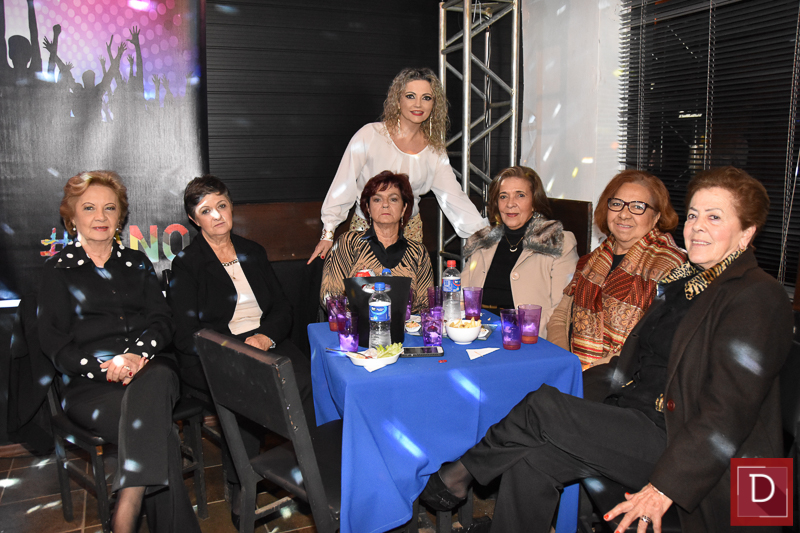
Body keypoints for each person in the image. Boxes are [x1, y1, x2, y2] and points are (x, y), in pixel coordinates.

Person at [420, 166, 793, 532]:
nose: (697, 226)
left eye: (714, 217)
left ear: (746, 233)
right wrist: (572, 386)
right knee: (531, 458)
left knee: (540, 406)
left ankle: (457, 476)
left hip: (687, 445)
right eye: (694, 214)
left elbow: (727, 414)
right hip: (637, 415)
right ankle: (463, 480)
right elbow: (630, 364)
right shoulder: (685, 282)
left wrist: (664, 488)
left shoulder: (758, 295)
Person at [37, 171, 200, 533]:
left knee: (158, 378)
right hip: (90, 387)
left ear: (120, 216)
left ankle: (124, 513)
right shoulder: (57, 271)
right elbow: (54, 344)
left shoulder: (136, 263)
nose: (100, 217)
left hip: (149, 371)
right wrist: (104, 367)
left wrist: (136, 356)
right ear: (72, 216)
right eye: (89, 208)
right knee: (161, 435)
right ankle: (130, 511)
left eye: (109, 208)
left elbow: (162, 321)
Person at [167, 175, 314, 527]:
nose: (217, 215)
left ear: (232, 207)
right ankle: (243, 484)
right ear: (194, 219)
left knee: (308, 380)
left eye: (222, 205)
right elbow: (186, 334)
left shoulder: (253, 251)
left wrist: (265, 337)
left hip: (264, 341)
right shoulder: (187, 264)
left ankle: (312, 471)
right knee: (248, 393)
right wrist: (234, 349)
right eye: (206, 210)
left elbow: (283, 308)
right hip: (217, 351)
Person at [308, 67, 488, 263]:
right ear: (398, 99)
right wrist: (328, 233)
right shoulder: (370, 135)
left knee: (407, 285)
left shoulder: (434, 151)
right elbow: (343, 185)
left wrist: (486, 238)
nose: (418, 104)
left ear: (434, 104)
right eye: (410, 96)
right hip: (366, 231)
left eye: (426, 98)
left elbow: (454, 198)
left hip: (409, 236)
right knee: (365, 283)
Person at [547, 170, 686, 369]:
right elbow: (560, 317)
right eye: (617, 204)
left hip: (624, 380)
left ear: (656, 217)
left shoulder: (672, 268)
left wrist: (587, 373)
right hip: (572, 369)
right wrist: (567, 364)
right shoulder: (593, 260)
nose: (624, 214)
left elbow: (649, 344)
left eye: (637, 207)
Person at [460, 166, 578, 337]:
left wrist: (518, 331)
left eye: (520, 195)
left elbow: (561, 311)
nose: (510, 203)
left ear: (534, 202)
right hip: (477, 335)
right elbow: (461, 297)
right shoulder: (482, 242)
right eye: (503, 196)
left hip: (527, 339)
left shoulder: (557, 241)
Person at [320, 171, 434, 312]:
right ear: (368, 207)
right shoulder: (348, 243)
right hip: (356, 324)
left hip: (404, 325)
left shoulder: (418, 252)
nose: (385, 204)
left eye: (393, 199)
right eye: (377, 199)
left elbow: (425, 305)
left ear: (404, 208)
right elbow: (330, 296)